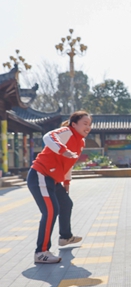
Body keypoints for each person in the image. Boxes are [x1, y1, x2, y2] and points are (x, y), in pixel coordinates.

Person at [26, 111, 91, 264]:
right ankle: (41, 252)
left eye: (90, 124)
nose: (88, 127)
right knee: (50, 211)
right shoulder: (67, 132)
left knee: (66, 204)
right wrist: (63, 150)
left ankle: (65, 237)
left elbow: (69, 162)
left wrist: (67, 182)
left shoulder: (81, 142)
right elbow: (48, 137)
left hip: (53, 180)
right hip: (40, 175)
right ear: (74, 124)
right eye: (85, 124)